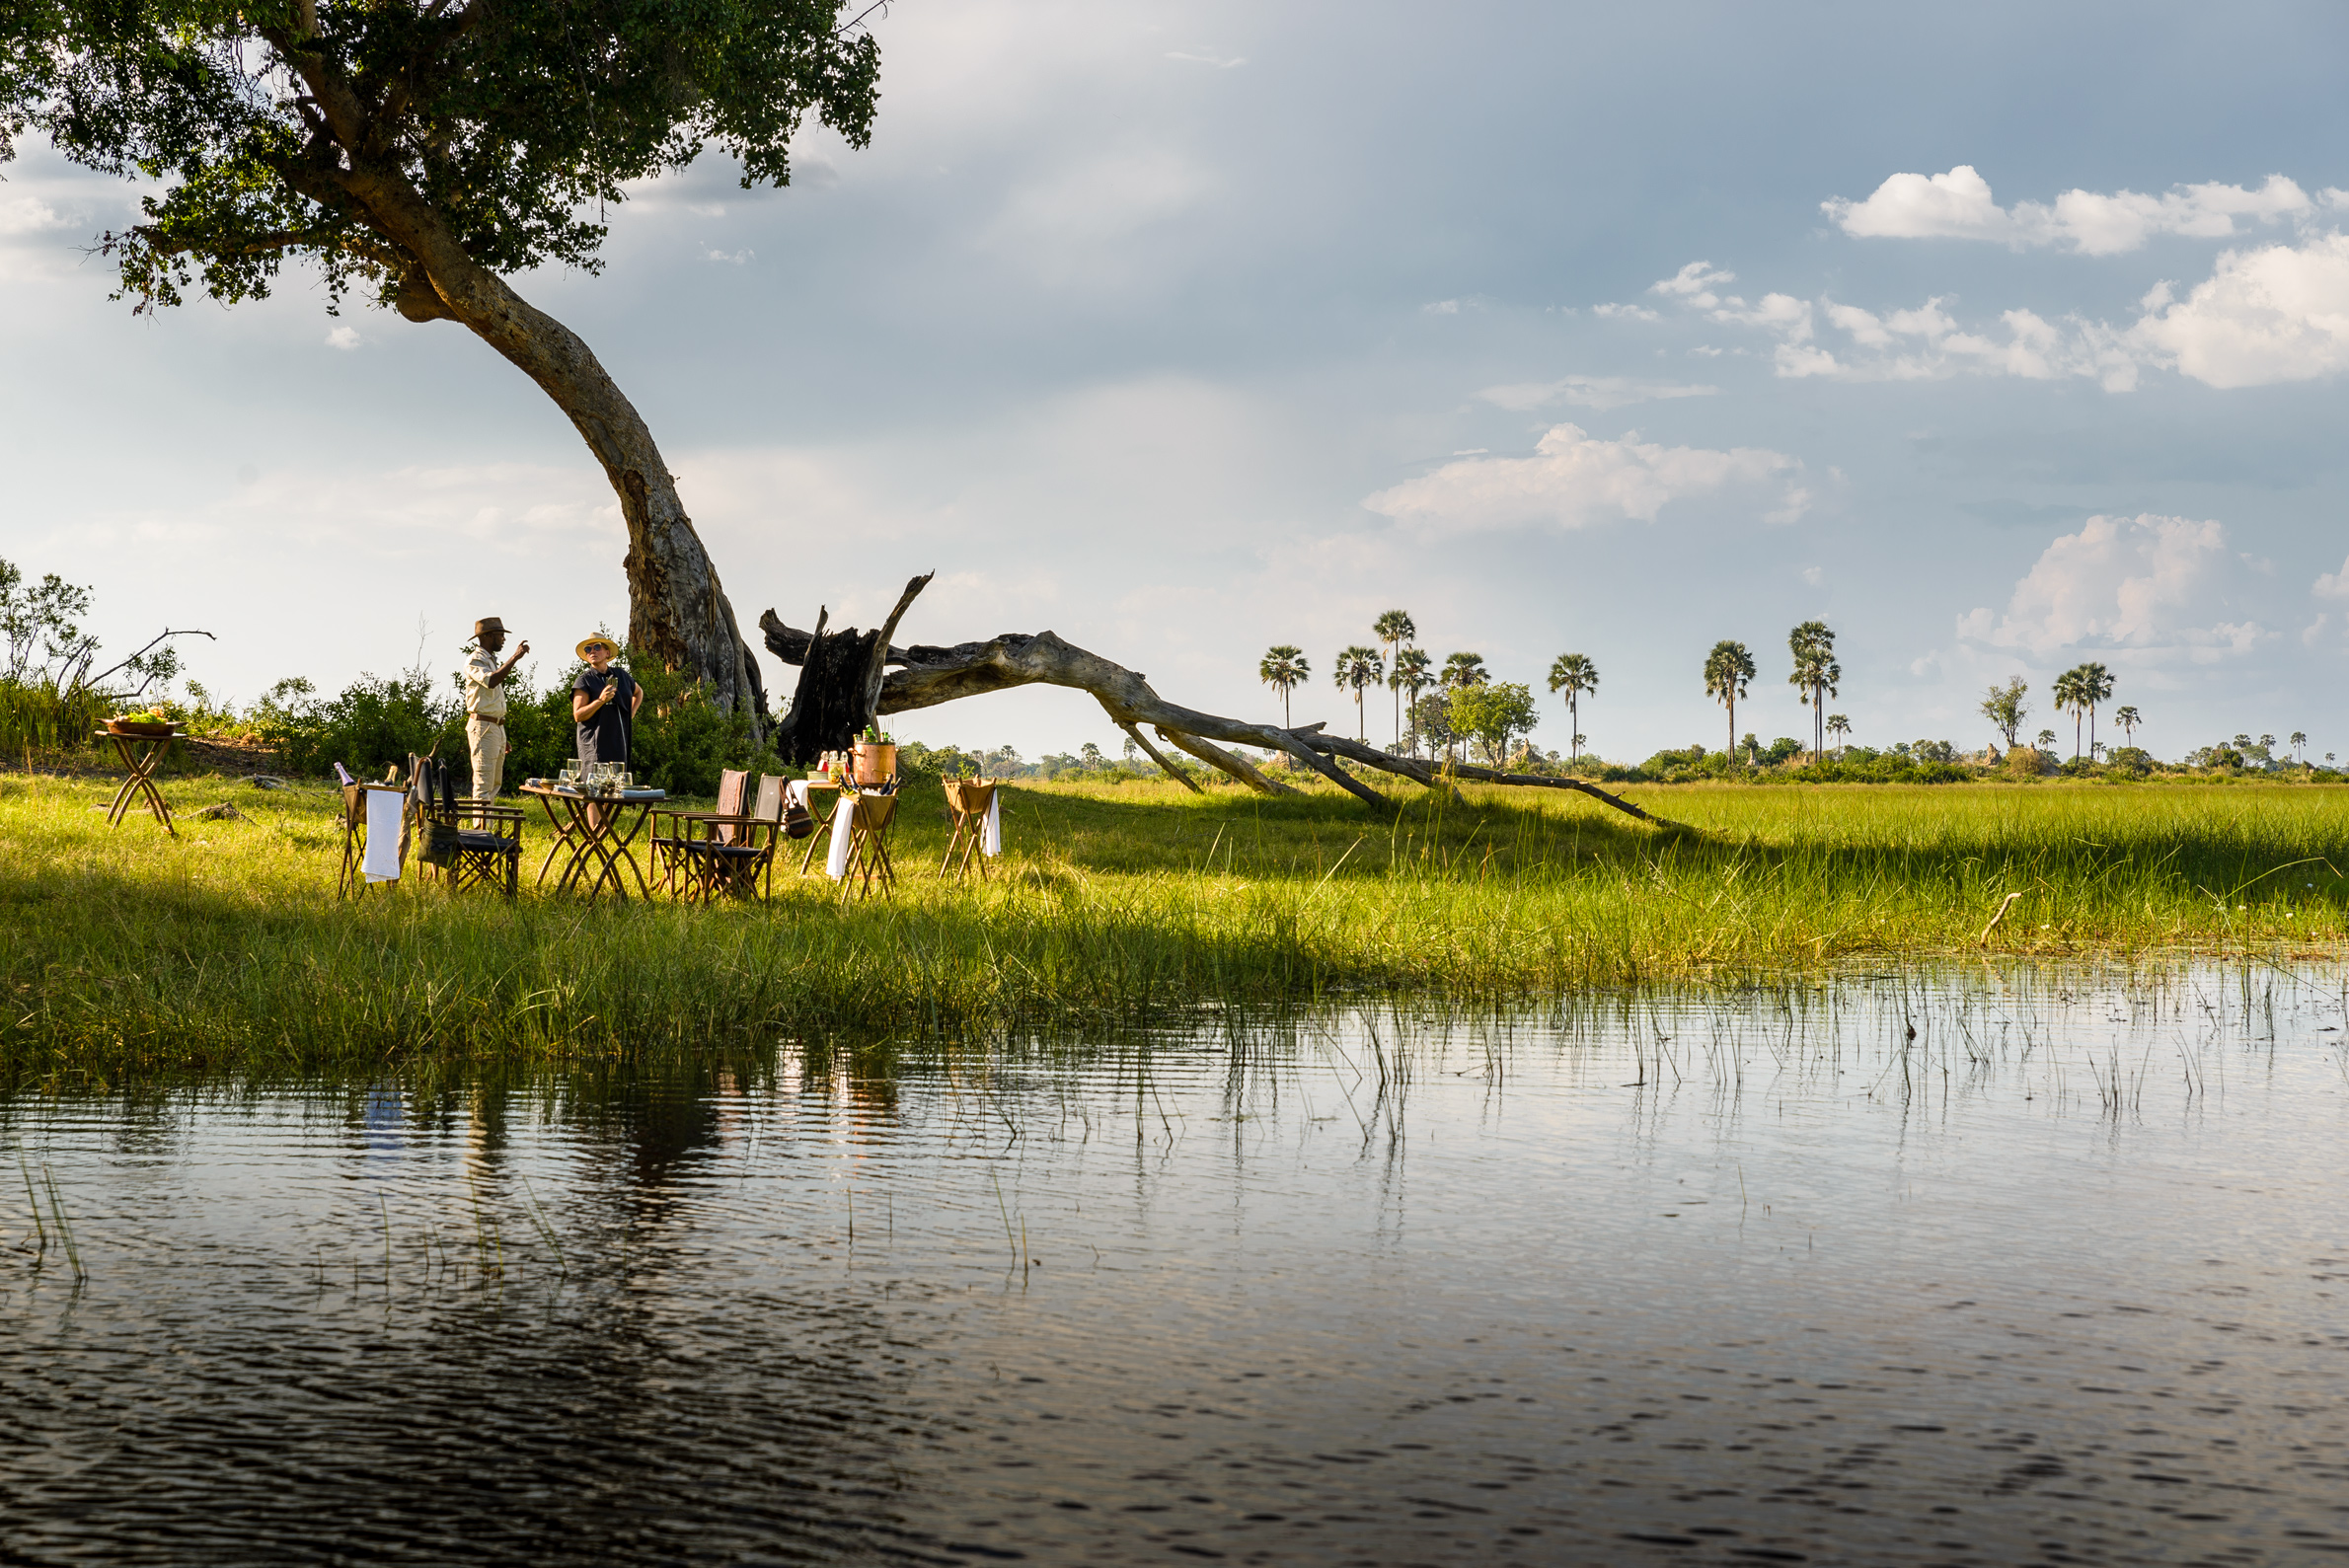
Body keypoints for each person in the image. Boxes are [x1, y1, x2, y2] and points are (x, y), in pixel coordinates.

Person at [463, 617, 530, 803]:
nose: (503, 639)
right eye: (500, 635)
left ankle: (487, 823)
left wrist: (501, 733)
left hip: (494, 727)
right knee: (483, 785)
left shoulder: (490, 661)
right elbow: (491, 681)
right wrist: (515, 657)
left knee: (494, 784)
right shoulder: (475, 659)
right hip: (483, 727)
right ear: (488, 636)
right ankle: (480, 823)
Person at [573, 635, 643, 769]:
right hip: (595, 751)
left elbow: (639, 692)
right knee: (597, 782)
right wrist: (601, 700)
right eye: (588, 649)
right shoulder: (584, 680)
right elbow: (578, 715)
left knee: (619, 781)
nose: (592, 651)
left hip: (620, 746)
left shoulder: (621, 675)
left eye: (597, 647)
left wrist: (631, 713)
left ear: (607, 653)